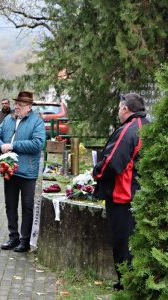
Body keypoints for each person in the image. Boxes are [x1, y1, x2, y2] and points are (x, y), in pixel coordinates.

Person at [92, 93, 149, 291]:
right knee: (137, 245)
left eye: (119, 108)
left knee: (123, 245)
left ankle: (124, 286)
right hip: (142, 196)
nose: (118, 112)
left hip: (123, 197)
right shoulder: (148, 126)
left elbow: (112, 163)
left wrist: (96, 172)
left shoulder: (128, 130)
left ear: (126, 109)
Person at [0, 91, 45, 253]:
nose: (16, 107)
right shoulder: (8, 119)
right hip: (9, 170)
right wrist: (1, 145)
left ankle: (25, 240)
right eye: (16, 104)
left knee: (27, 207)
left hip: (27, 172)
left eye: (20, 105)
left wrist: (13, 146)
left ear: (29, 107)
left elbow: (38, 144)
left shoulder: (37, 122)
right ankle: (13, 236)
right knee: (10, 205)